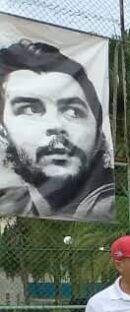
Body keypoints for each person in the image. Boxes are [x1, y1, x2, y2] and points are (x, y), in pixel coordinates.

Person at [0, 40, 113, 220]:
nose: (56, 126)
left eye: (73, 112)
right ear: (3, 130)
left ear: (99, 132)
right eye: (32, 109)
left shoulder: (110, 205)